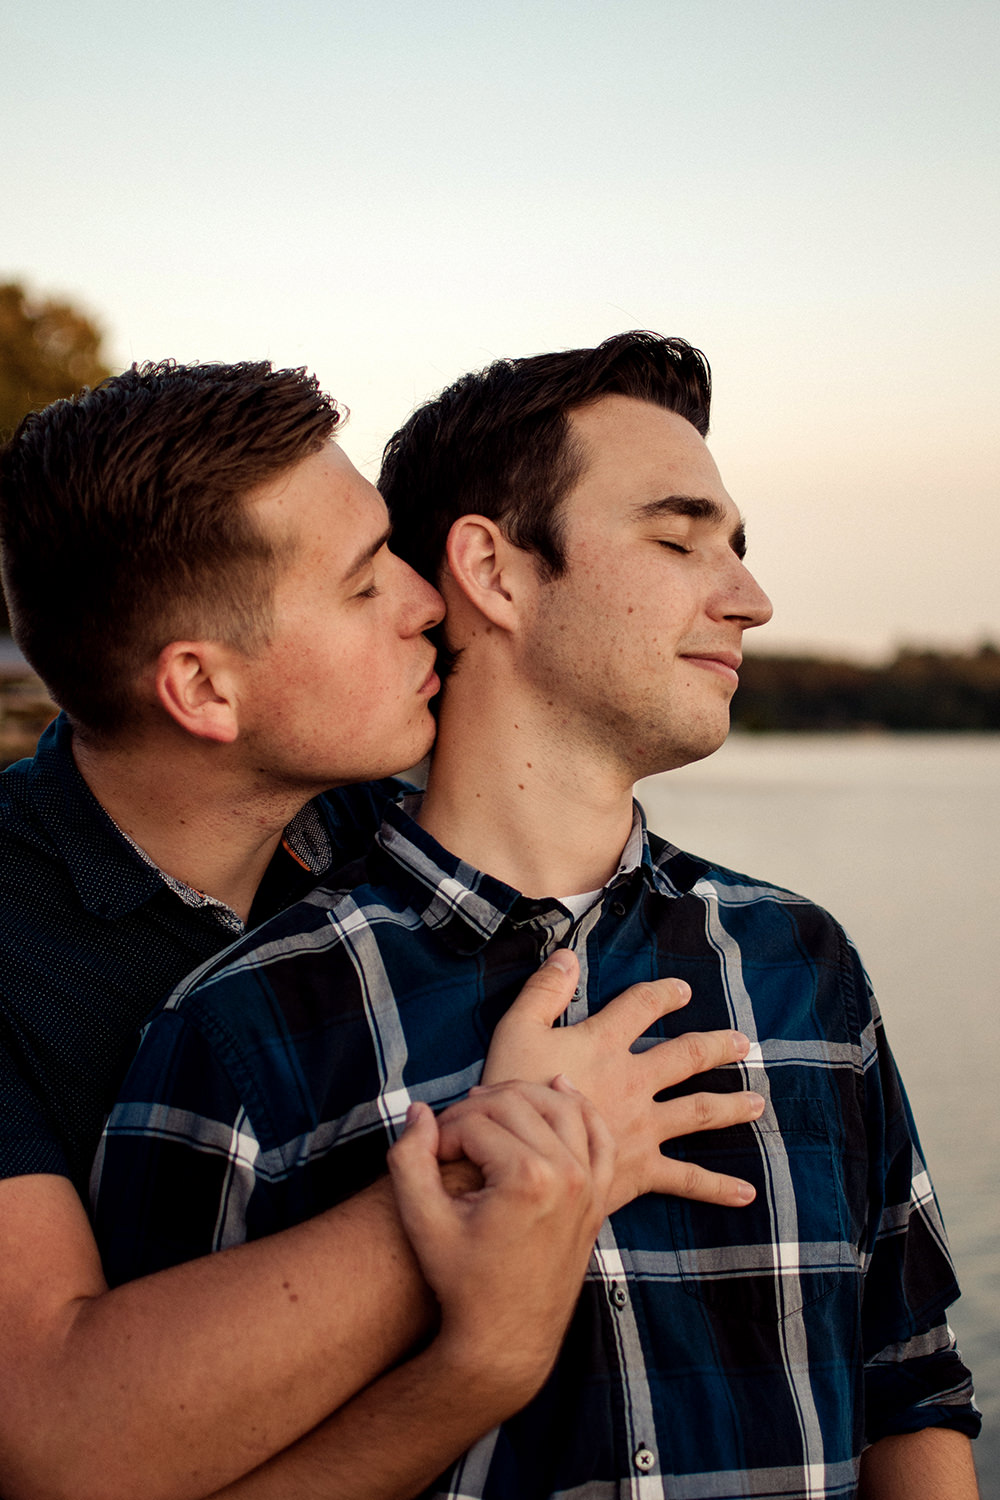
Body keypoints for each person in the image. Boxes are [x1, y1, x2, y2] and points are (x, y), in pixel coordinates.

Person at [92, 332, 980, 1499]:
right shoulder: (245, 1025)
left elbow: (908, 1384)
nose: (751, 601)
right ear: (495, 572)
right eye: (676, 538)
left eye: (738, 550)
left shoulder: (800, 961)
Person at [0, 359, 764, 1500]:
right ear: (203, 691)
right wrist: (507, 1152)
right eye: (365, 586)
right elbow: (58, 1433)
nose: (425, 599)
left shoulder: (379, 843)